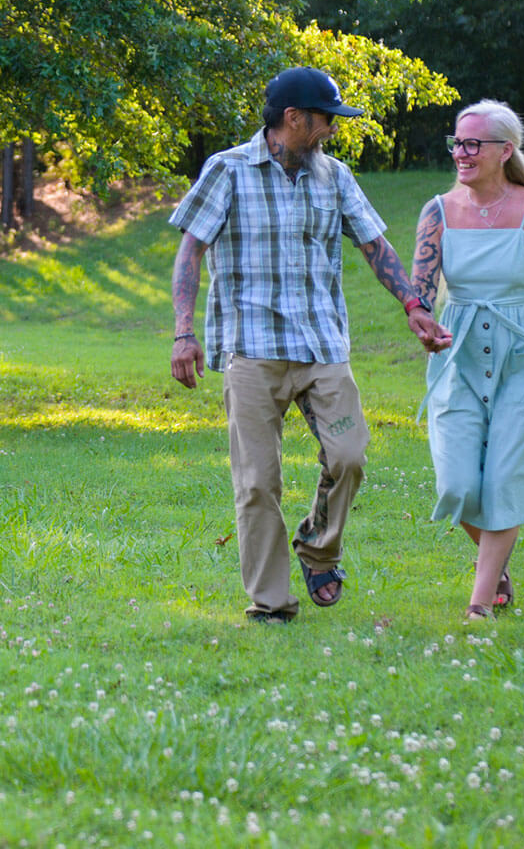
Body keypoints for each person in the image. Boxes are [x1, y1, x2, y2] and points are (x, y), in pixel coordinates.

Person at [169, 66, 451, 625]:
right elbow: (191, 252)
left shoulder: (335, 176)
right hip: (251, 349)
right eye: (326, 119)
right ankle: (271, 604)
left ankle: (318, 546)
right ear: (292, 118)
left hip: (322, 345)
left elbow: (374, 244)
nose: (332, 130)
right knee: (257, 483)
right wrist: (183, 331)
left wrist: (414, 305)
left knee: (349, 456)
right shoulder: (226, 171)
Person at [412, 99, 524, 620]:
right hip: (459, 352)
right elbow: (419, 294)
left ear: (504, 151)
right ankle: (496, 560)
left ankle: (480, 604)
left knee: (506, 479)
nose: (460, 153)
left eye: (472, 144)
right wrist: (423, 324)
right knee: (458, 485)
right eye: (456, 143)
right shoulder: (437, 211)